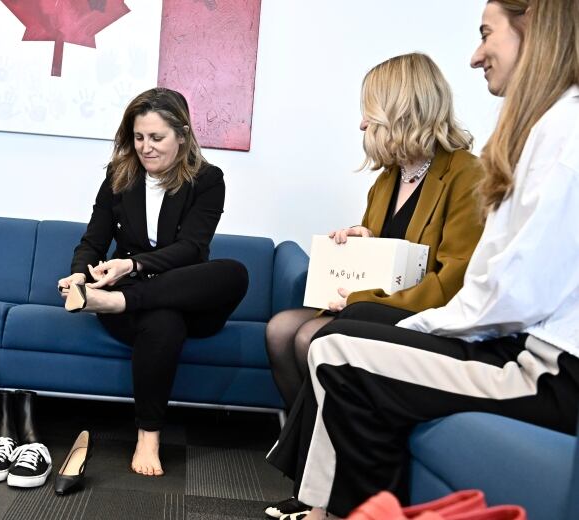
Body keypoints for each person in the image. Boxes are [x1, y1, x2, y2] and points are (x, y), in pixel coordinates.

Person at [268, 0, 579, 518]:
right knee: (325, 334)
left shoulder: (547, 139)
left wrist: (420, 324)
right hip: (516, 338)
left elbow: (495, 289)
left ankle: (326, 504)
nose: (476, 55)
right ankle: (323, 503)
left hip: (540, 361)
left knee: (336, 343)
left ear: (535, 30)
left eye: (487, 34)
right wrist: (363, 246)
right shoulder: (392, 178)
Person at [265, 52, 485, 414]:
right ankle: (307, 445)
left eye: (370, 111)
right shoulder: (388, 179)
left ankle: (324, 448)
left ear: (400, 110)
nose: (363, 124)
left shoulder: (467, 175)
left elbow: (453, 283)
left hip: (420, 315)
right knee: (279, 330)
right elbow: (387, 255)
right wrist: (360, 242)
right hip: (374, 303)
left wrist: (358, 299)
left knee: (308, 337)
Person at [58, 87, 249, 477]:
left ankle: (115, 302)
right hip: (142, 311)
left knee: (234, 272)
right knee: (163, 321)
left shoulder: (208, 180)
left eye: (156, 138)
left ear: (182, 134)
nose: (145, 147)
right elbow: (94, 239)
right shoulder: (119, 176)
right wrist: (79, 273)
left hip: (184, 298)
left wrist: (131, 267)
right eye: (139, 137)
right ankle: (149, 437)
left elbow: (192, 249)